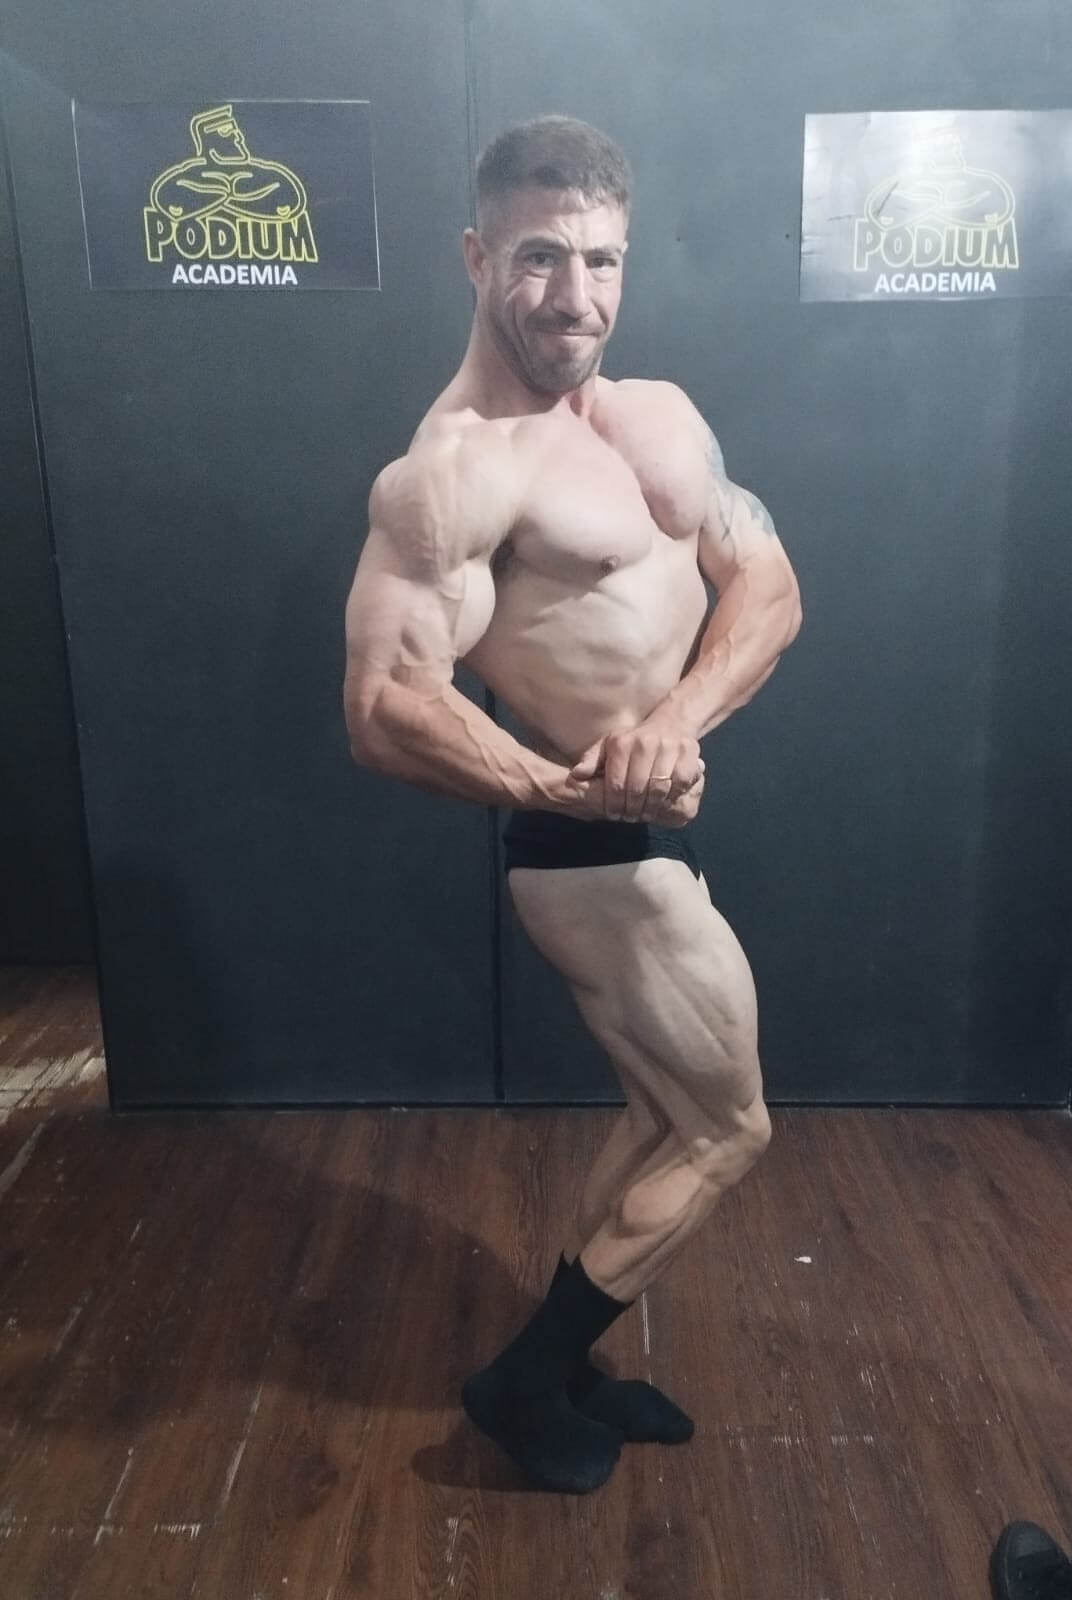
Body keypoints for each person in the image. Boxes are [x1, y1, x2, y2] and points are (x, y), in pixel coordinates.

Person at [342, 114, 803, 1494]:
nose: (575, 295)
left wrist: (673, 723)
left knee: (665, 1116)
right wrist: (572, 787)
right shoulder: (455, 473)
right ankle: (522, 1381)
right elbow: (383, 707)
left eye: (601, 260)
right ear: (477, 257)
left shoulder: (656, 413)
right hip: (592, 860)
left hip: (655, 819)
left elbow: (768, 585)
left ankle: (569, 1366)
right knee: (727, 1128)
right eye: (541, 257)